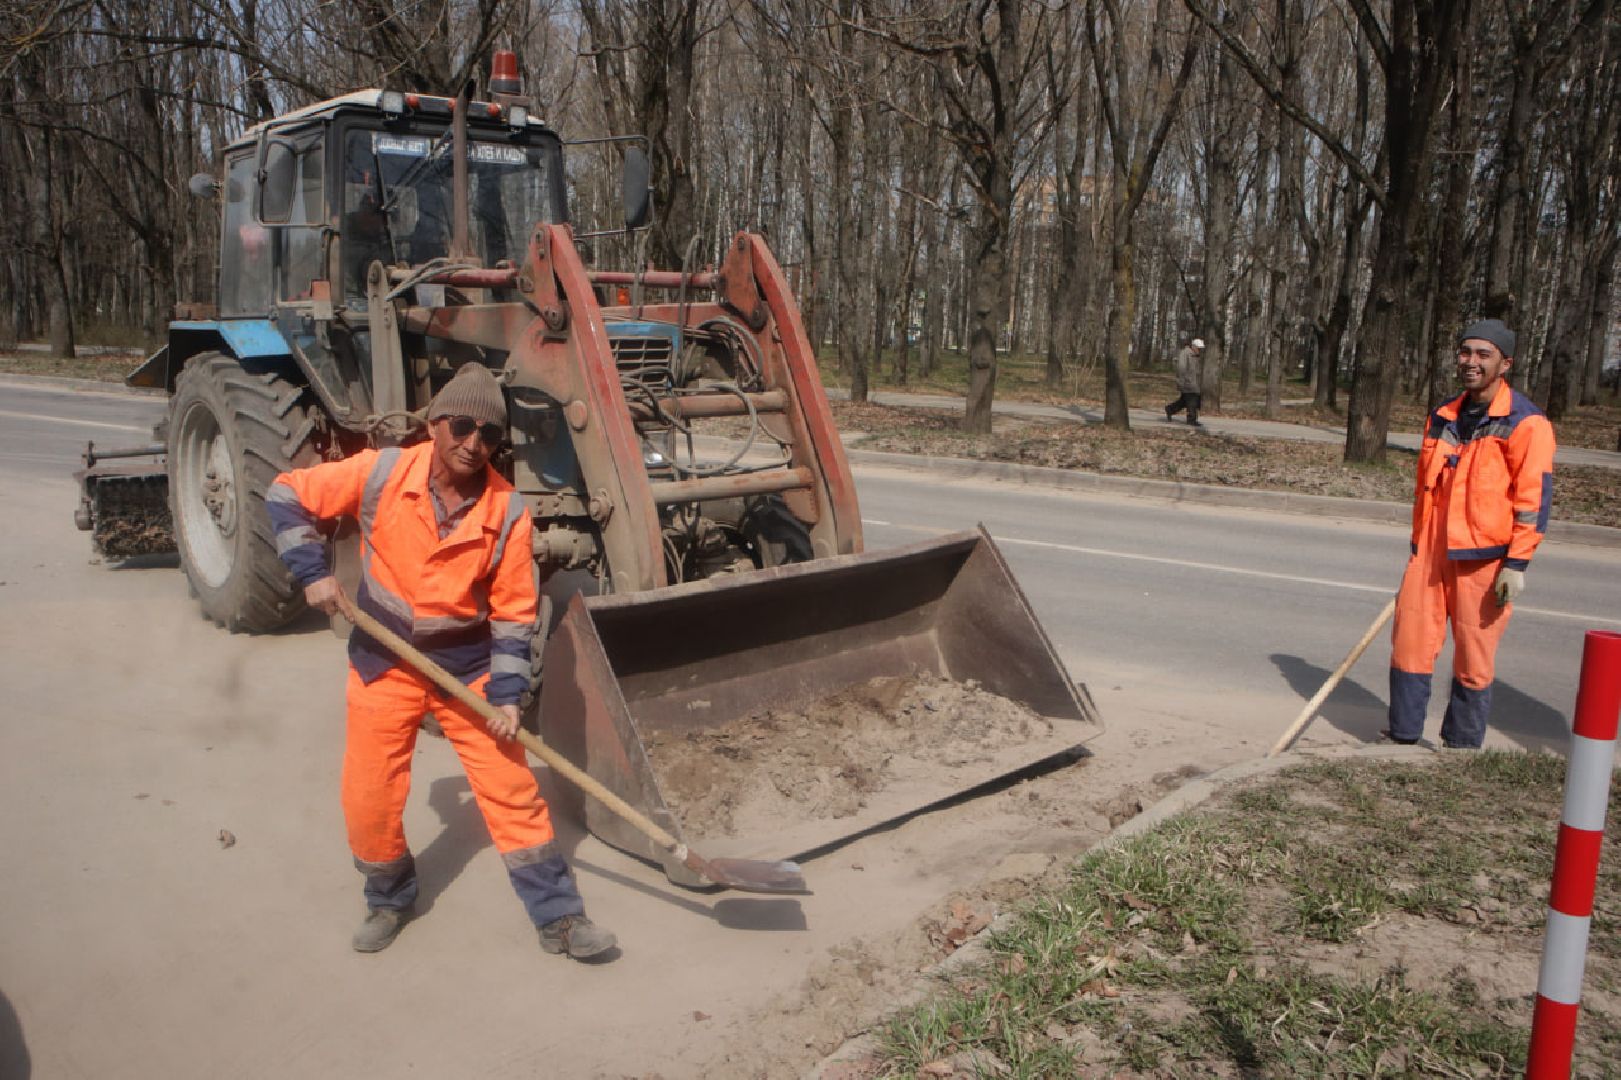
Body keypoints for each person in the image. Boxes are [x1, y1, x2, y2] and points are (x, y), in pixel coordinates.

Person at [267, 362, 617, 960]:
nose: (472, 443)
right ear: (435, 424)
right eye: (461, 426)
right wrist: (312, 574)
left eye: (488, 435)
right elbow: (287, 493)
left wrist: (508, 695)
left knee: (511, 786)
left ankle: (558, 917)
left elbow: (513, 613)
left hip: (465, 666)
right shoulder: (381, 472)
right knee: (369, 790)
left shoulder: (506, 510)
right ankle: (389, 896)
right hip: (385, 655)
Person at [1385, 318, 1556, 749]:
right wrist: (1417, 545)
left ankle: (1460, 749)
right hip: (1429, 554)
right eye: (1466, 352)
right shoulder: (1442, 415)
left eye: (1483, 354)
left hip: (1484, 558)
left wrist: (1516, 563)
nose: (1471, 362)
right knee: (1409, 646)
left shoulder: (1526, 422)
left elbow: (1533, 502)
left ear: (1505, 363)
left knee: (1473, 659)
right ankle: (1402, 739)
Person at [1165, 338, 1205, 427]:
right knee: (1192, 401)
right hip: (1188, 382)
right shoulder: (1185, 353)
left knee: (1184, 401)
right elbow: (1181, 368)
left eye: (1201, 349)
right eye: (1199, 348)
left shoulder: (1196, 356)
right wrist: (1182, 381)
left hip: (1194, 383)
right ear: (1193, 346)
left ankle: (1170, 409)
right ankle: (1191, 419)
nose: (1200, 350)